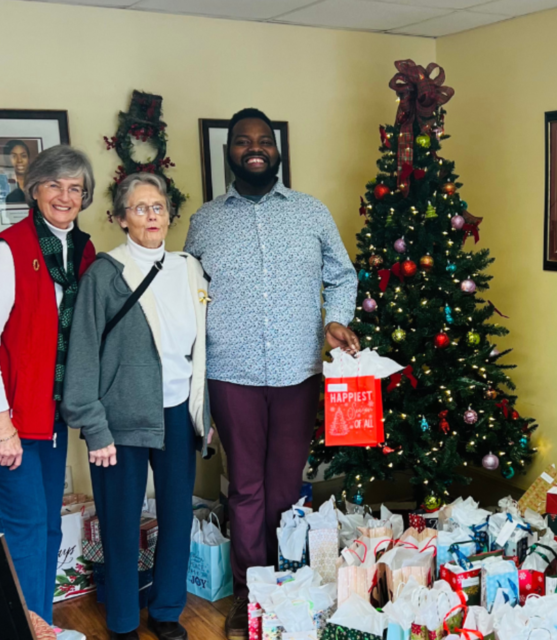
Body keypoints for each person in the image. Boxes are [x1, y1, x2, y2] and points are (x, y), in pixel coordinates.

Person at [183, 107, 359, 639]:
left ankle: (289, 587)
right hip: (231, 372)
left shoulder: (311, 212)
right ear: (229, 152)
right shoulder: (205, 221)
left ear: (277, 152)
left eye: (264, 140)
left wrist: (335, 321)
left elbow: (343, 274)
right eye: (243, 141)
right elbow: (189, 293)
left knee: (287, 486)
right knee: (246, 488)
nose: (254, 147)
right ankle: (249, 594)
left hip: (297, 372)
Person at [61, 173, 210, 640]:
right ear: (122, 218)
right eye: (140, 207)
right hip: (119, 420)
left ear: (169, 215)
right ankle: (123, 620)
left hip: (176, 413)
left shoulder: (189, 268)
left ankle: (167, 610)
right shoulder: (105, 274)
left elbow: (201, 347)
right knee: (121, 524)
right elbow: (81, 355)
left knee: (177, 515)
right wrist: (93, 426)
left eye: (159, 206)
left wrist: (203, 413)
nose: (152, 215)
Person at [0, 145, 96, 627]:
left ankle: (37, 625)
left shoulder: (83, 252)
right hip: (3, 421)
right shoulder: (8, 249)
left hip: (48, 418)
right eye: (54, 185)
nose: (65, 196)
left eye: (75, 188)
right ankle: (22, 629)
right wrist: (3, 426)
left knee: (44, 533)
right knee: (21, 533)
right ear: (34, 189)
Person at [3, 139, 31, 204]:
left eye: (23, 156)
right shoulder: (3, 184)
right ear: (7, 160)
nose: (19, 160)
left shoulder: (37, 184)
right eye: (14, 156)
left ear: (28, 159)